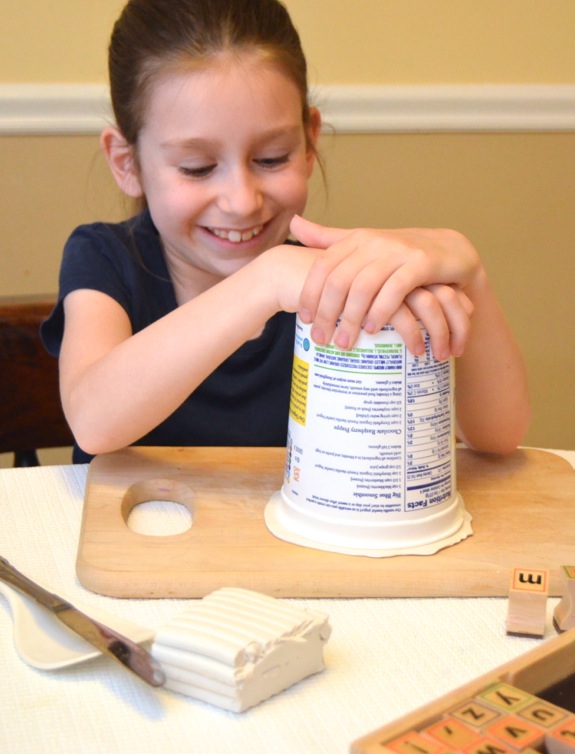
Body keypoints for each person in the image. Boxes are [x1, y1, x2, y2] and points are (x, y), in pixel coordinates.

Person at [42, 0, 530, 463]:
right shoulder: (104, 257)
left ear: (309, 141)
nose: (242, 200)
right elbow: (93, 419)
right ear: (128, 163)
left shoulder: (333, 284)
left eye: (272, 159)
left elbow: (498, 439)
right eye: (197, 167)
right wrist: (264, 282)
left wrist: (473, 276)